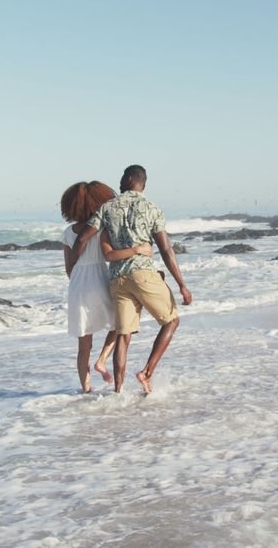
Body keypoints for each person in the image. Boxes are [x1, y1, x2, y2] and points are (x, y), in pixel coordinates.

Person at [74, 165, 192, 394]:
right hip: (142, 274)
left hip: (117, 278)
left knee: (123, 334)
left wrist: (75, 270)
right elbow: (166, 249)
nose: (118, 182)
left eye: (121, 177)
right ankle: (146, 373)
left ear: (129, 178)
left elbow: (82, 238)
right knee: (171, 321)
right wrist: (181, 285)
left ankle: (119, 391)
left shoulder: (107, 207)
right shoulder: (152, 208)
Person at [61, 181, 154, 393]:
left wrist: (78, 280)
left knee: (83, 346)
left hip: (77, 285)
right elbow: (110, 254)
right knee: (118, 325)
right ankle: (102, 359)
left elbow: (69, 268)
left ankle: (86, 389)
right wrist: (138, 249)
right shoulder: (101, 227)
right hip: (100, 279)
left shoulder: (68, 232)